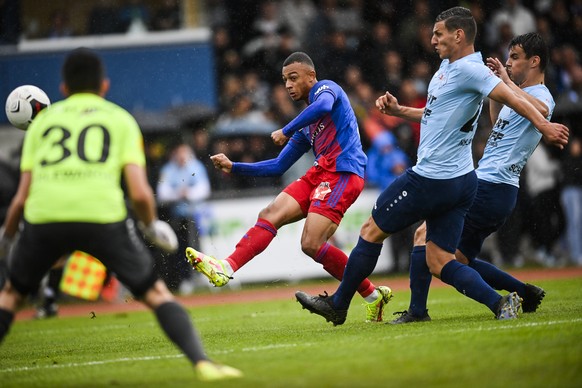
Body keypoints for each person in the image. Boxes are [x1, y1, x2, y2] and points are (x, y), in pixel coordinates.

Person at [295, 7, 569, 325]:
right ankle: (498, 302)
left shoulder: (472, 69)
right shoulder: (446, 69)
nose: (433, 38)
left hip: (433, 177)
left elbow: (517, 100)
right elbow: (438, 115)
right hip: (464, 180)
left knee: (371, 231)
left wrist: (545, 125)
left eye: (439, 33)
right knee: (440, 258)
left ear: (459, 35)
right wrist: (399, 111)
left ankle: (340, 304)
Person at [0, 48, 241, 382]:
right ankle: (203, 363)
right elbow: (141, 192)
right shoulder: (119, 119)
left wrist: (8, 236)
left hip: (46, 217)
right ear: (105, 85)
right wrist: (150, 225)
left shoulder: (42, 125)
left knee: (11, 296)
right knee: (156, 295)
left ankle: (46, 299)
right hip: (102, 216)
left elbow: (21, 198)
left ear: (63, 89)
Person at [187, 51, 393, 323]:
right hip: (320, 173)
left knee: (310, 243)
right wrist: (234, 167)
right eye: (285, 80)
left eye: (294, 78)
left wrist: (285, 129)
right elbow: (277, 166)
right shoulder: (306, 128)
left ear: (311, 76)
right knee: (270, 213)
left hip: (343, 172)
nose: (288, 85)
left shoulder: (328, 89)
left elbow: (321, 107)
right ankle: (226, 267)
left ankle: (369, 295)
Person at [391, 32, 555, 324]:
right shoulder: (519, 97)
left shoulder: (541, 96)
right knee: (459, 260)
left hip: (491, 186)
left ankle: (419, 311)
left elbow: (542, 112)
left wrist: (503, 81)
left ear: (535, 61)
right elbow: (497, 124)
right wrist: (494, 89)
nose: (508, 62)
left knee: (425, 237)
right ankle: (523, 292)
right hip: (497, 189)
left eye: (515, 57)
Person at [156, 142, 211, 292]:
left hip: (195, 216)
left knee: (197, 247)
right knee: (181, 249)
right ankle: (185, 279)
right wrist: (178, 194)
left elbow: (204, 189)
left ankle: (199, 276)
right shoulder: (168, 170)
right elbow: (162, 192)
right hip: (177, 218)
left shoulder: (196, 167)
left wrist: (189, 193)